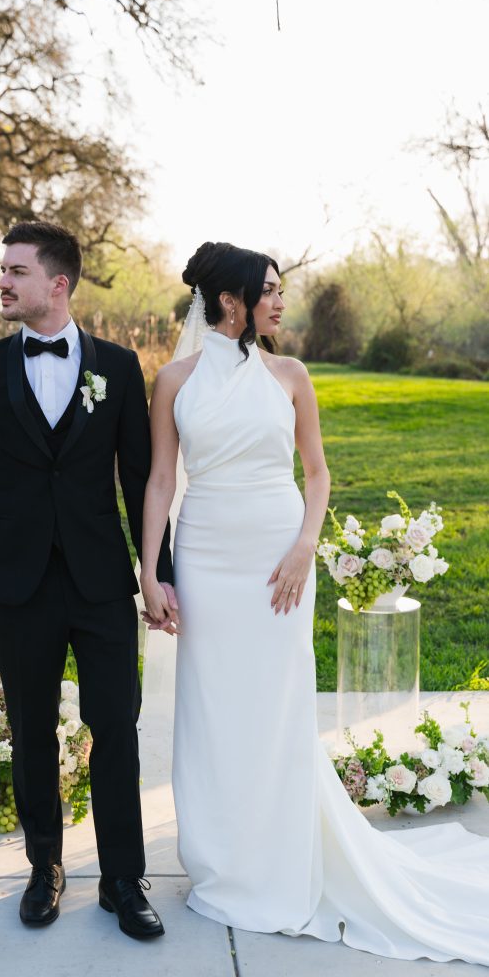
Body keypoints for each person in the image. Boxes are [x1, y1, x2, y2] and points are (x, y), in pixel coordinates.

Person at [139, 240, 489, 965]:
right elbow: (161, 482)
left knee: (277, 703)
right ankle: (223, 858)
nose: (280, 301)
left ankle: (281, 853)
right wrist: (150, 571)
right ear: (230, 300)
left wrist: (305, 545)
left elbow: (318, 473)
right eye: (268, 289)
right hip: (205, 558)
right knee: (213, 706)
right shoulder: (173, 380)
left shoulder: (291, 375)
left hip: (279, 561)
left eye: (280, 289)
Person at [0, 221, 176, 939]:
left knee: (117, 726)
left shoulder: (119, 367)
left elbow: (141, 479)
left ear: (58, 283)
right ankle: (44, 867)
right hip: (15, 581)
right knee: (33, 730)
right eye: (3, 270)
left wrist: (156, 571)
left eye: (17, 271)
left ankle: (123, 880)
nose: (2, 282)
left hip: (100, 579)